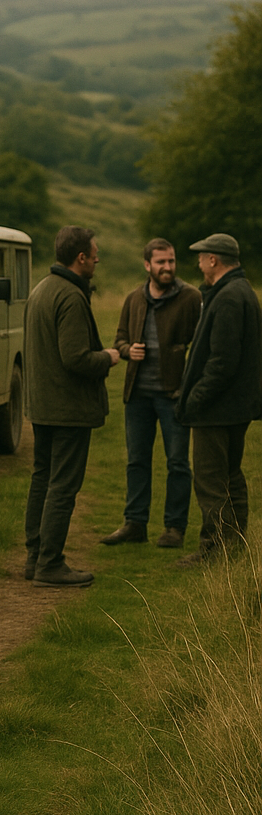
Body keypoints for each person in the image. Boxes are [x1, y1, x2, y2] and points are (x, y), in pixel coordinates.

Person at [23, 226, 120, 587]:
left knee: (42, 479)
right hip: (68, 409)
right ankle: (50, 564)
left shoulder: (41, 289)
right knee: (62, 486)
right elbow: (76, 358)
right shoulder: (70, 296)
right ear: (81, 257)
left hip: (43, 405)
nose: (98, 259)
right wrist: (108, 357)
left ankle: (35, 558)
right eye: (94, 254)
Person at [101, 239, 201, 549]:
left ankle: (174, 528)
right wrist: (127, 350)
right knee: (137, 462)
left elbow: (202, 344)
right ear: (147, 265)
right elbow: (119, 339)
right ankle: (135, 524)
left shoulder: (191, 298)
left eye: (171, 261)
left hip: (174, 395)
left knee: (178, 463)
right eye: (161, 262)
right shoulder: (134, 299)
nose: (167, 267)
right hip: (138, 396)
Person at [174, 233, 262, 566]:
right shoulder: (241, 290)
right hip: (235, 407)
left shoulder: (228, 297)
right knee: (231, 475)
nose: (198, 264)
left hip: (217, 409)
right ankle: (235, 544)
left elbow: (222, 362)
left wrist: (195, 398)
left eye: (201, 257)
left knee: (211, 480)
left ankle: (215, 549)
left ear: (214, 260)